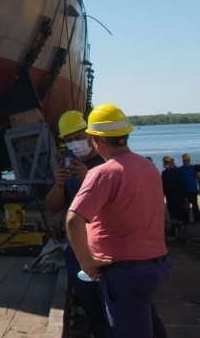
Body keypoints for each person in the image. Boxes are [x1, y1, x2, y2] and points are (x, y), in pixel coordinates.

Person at [67, 104, 171, 338]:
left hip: (125, 273)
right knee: (150, 326)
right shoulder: (148, 167)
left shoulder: (104, 173)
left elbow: (73, 220)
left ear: (95, 140)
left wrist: (86, 262)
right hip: (154, 265)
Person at [45, 111, 108, 338]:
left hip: (104, 242)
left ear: (91, 136)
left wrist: (87, 178)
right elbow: (52, 207)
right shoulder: (66, 163)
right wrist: (59, 185)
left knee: (110, 297)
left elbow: (115, 203)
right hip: (76, 244)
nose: (75, 143)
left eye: (79, 137)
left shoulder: (105, 162)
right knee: (86, 294)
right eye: (69, 140)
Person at [161, 156, 187, 227]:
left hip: (178, 196)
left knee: (179, 213)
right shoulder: (164, 173)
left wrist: (184, 197)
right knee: (171, 213)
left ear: (170, 162)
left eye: (167, 162)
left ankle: (181, 229)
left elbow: (181, 185)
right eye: (164, 162)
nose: (165, 163)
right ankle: (174, 228)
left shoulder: (176, 172)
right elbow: (163, 185)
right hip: (169, 197)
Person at [178, 153, 199, 223]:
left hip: (193, 190)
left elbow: (198, 178)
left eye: (186, 160)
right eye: (184, 160)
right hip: (184, 191)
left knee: (194, 205)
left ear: (189, 160)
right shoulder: (180, 169)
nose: (185, 161)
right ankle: (186, 220)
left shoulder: (193, 168)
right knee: (185, 206)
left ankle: (197, 219)